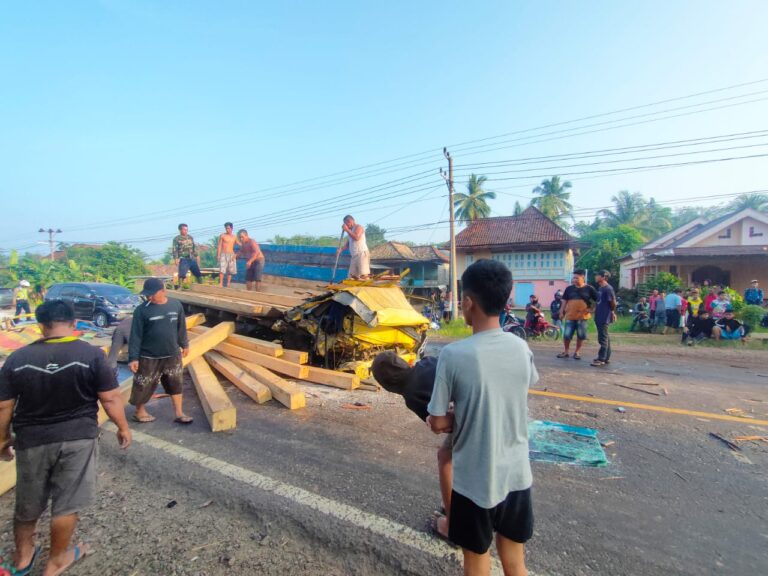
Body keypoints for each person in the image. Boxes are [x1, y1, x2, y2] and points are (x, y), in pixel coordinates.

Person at [0, 300, 131, 576]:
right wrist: (123, 427)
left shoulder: (17, 359)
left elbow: (4, 406)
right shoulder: (91, 354)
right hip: (77, 438)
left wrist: (2, 439)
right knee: (67, 502)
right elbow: (109, 398)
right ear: (73, 324)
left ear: (41, 326)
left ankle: (23, 558)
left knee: (28, 502)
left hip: (32, 440)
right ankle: (56, 560)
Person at [427, 259, 535, 576]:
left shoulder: (454, 354)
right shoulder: (520, 348)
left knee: (476, 560)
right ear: (506, 301)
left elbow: (436, 422)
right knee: (516, 563)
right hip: (517, 476)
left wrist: (454, 415)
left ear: (469, 303)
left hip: (475, 483)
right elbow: (512, 394)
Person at [371, 353, 454, 540]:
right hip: (476, 400)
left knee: (445, 459)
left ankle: (454, 525)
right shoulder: (425, 363)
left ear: (388, 386)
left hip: (467, 414)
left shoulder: (411, 396)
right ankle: (453, 502)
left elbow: (439, 425)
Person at [128, 278, 193, 424]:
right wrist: (133, 358)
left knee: (175, 383)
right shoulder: (141, 310)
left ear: (163, 291)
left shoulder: (175, 305)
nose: (149, 297)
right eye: (147, 295)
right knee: (143, 384)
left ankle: (179, 413)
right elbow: (135, 335)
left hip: (172, 354)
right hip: (148, 356)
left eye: (152, 294)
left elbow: (181, 327)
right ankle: (139, 412)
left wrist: (185, 344)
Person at [557, 270, 598, 360]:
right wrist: (561, 312)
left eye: (576, 277)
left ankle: (577, 352)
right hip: (570, 316)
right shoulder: (569, 289)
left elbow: (597, 300)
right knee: (567, 335)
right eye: (573, 277)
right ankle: (566, 351)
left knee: (581, 335)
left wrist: (591, 309)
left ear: (582, 277)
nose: (574, 279)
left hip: (582, 317)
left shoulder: (589, 288)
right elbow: (564, 301)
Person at [591, 270, 616, 367]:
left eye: (597, 275)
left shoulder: (608, 289)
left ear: (603, 277)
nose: (596, 277)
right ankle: (606, 357)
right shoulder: (601, 288)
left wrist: (611, 312)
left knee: (603, 338)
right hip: (599, 315)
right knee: (605, 337)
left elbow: (613, 303)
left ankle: (601, 358)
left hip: (604, 316)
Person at [337, 215, 370, 280]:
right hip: (354, 256)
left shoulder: (359, 227)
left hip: (362, 253)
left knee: (364, 275)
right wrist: (340, 250)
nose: (346, 226)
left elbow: (357, 238)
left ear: (350, 222)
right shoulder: (350, 231)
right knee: (352, 276)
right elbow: (347, 244)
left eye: (347, 224)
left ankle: (366, 288)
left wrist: (346, 230)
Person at [217, 222, 238, 288]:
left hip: (231, 255)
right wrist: (218, 255)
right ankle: (220, 283)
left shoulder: (234, 237)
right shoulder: (222, 236)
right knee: (222, 270)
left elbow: (240, 246)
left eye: (228, 228)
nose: (227, 230)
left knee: (230, 270)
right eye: (226, 228)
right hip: (223, 254)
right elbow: (219, 245)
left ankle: (228, 284)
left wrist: (236, 254)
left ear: (231, 228)